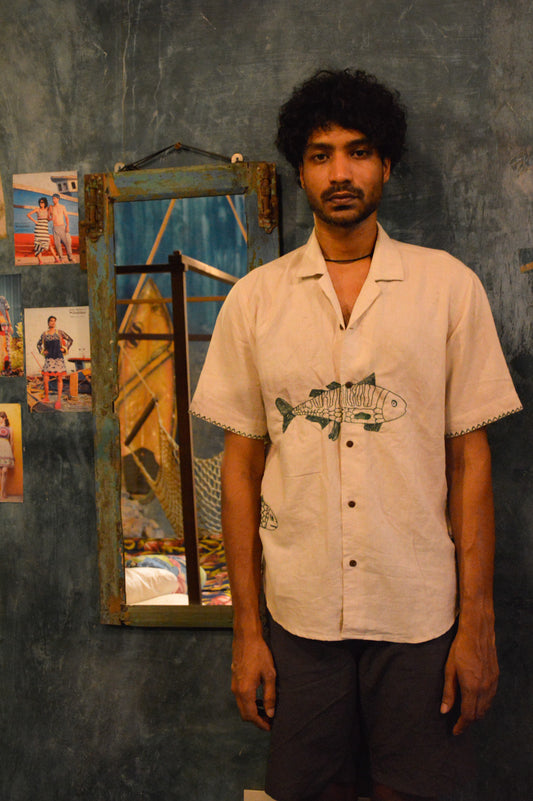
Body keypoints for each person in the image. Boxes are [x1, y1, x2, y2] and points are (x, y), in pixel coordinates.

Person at [190, 69, 522, 801]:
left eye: (357, 150)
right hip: (298, 615)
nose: (339, 171)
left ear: (385, 164)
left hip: (420, 613)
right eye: (319, 154)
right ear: (299, 169)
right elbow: (240, 469)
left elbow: (469, 460)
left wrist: (476, 623)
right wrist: (247, 632)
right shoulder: (255, 302)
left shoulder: (447, 288)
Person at [37, 315, 73, 409]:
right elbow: (38, 344)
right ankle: (46, 397)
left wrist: (64, 349)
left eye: (54, 321)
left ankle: (58, 401)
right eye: (51, 321)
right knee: (45, 377)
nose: (53, 322)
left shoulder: (60, 332)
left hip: (58, 358)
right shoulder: (44, 334)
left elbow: (70, 340)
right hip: (49, 358)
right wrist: (42, 351)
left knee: (59, 379)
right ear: (48, 323)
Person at [26, 198, 60, 264]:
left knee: (49, 244)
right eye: (40, 202)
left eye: (43, 202)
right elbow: (28, 214)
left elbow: (49, 216)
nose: (41, 204)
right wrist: (35, 221)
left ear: (45, 203)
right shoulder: (37, 209)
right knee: (38, 245)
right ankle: (40, 261)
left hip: (45, 229)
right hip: (38, 229)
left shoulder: (47, 209)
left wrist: (51, 218)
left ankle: (56, 258)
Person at [49, 193, 74, 262]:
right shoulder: (51, 207)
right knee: (57, 244)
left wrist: (67, 226)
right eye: (52, 198)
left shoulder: (62, 207)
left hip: (62, 227)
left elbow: (66, 217)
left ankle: (70, 257)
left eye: (54, 198)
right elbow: (49, 217)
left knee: (67, 243)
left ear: (58, 199)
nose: (53, 200)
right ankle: (61, 258)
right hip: (55, 227)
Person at [0, 411, 15, 500]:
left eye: (0, 417)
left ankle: (2, 492)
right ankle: (3, 491)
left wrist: (12, 454)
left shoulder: (10, 429)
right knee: (0, 472)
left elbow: (12, 441)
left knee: (5, 471)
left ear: (4, 418)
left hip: (6, 450)